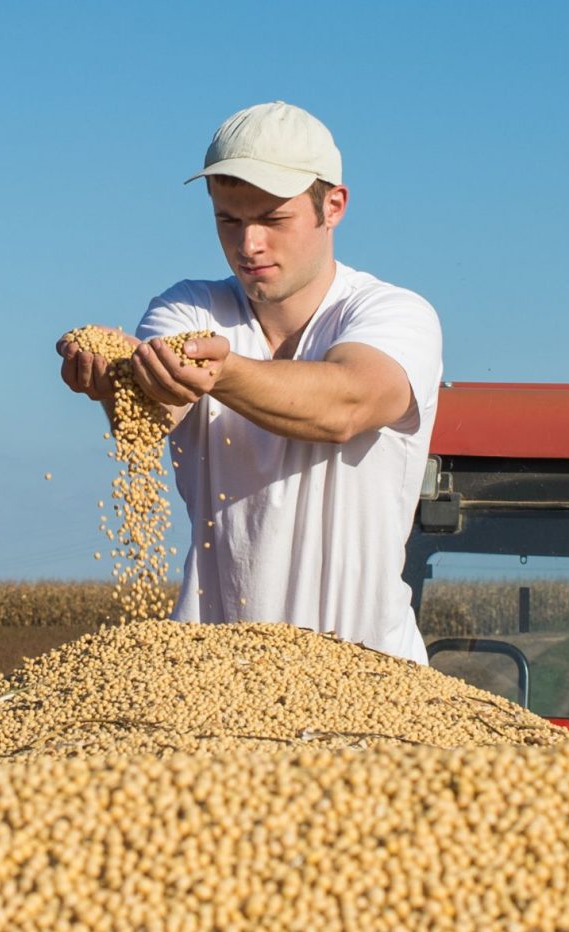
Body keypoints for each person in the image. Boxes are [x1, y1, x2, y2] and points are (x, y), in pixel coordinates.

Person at [53, 101, 444, 662]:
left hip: (368, 668)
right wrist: (120, 383)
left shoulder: (392, 313)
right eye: (228, 220)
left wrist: (225, 372)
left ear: (332, 206)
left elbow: (348, 404)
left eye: (272, 219)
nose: (249, 244)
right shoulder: (189, 307)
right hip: (210, 669)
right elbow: (154, 410)